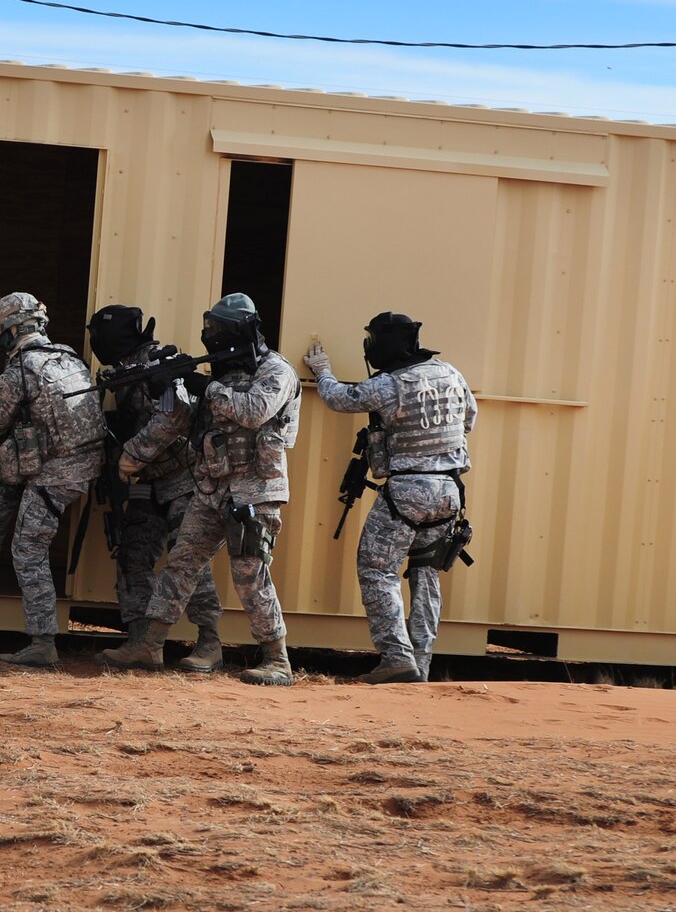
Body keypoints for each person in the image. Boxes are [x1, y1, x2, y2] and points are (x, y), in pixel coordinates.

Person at [100, 293, 300, 685]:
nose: (212, 335)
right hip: (212, 488)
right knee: (181, 564)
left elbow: (253, 411)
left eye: (219, 329)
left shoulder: (276, 371)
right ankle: (150, 644)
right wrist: (168, 390)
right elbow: (185, 421)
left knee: (250, 574)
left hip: (254, 492)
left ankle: (278, 659)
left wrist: (203, 385)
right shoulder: (223, 375)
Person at [304, 313, 475, 684]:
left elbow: (339, 398)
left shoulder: (389, 383)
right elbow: (468, 421)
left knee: (377, 569)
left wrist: (322, 370)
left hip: (407, 493)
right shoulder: (451, 373)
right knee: (426, 573)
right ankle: (420, 665)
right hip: (449, 492)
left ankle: (397, 659)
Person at [0, 292, 104, 668]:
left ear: (11, 329)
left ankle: (42, 642)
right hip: (84, 465)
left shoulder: (20, 371)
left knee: (28, 550)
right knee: (6, 465)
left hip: (55, 475)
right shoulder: (69, 357)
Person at [87, 305, 224, 672]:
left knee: (190, 563)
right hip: (150, 482)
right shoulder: (123, 371)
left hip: (185, 480)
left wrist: (132, 454)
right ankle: (143, 641)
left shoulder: (157, 367)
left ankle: (209, 642)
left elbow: (175, 417)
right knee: (132, 554)